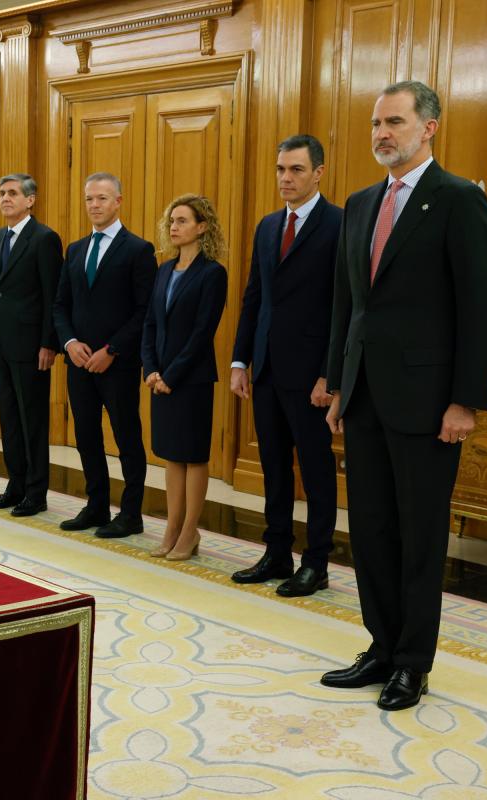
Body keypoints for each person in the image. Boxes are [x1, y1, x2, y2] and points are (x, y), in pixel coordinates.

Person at [321, 82, 487, 710]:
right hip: (365, 397)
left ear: (429, 128)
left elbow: (482, 310)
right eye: (376, 123)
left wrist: (465, 401)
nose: (382, 133)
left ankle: (412, 663)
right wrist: (338, 384)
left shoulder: (458, 200)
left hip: (428, 403)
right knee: (371, 532)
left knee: (419, 536)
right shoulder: (360, 203)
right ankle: (381, 645)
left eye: (394, 122)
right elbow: (347, 305)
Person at [229, 135, 342, 596]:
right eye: (280, 169)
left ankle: (316, 562)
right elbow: (254, 296)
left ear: (318, 172)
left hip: (312, 374)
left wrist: (329, 374)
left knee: (315, 472)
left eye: (296, 169)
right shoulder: (268, 225)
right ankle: (276, 552)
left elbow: (342, 306)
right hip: (268, 369)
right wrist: (241, 359)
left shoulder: (339, 223)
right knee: (273, 467)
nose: (286, 178)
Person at [53, 172, 156, 538]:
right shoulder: (75, 249)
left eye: (101, 198)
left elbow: (144, 311)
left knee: (126, 437)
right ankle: (96, 505)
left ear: (118, 201)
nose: (94, 205)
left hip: (118, 363)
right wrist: (69, 342)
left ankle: (131, 513)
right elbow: (60, 304)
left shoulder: (138, 250)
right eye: (89, 199)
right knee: (86, 435)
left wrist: (112, 349)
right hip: (79, 361)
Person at [142, 195, 228, 560]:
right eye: (171, 221)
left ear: (202, 227)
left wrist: (172, 375)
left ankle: (190, 531)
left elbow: (202, 333)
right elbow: (150, 323)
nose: (174, 227)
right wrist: (151, 369)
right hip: (160, 377)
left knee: (192, 455)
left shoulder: (212, 274)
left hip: (191, 380)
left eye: (182, 221)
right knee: (171, 455)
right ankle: (172, 527)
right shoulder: (163, 269)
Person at [0, 173, 63, 517]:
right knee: (10, 420)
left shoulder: (44, 239)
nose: (5, 198)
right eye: (2, 193)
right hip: (1, 342)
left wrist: (48, 343)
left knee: (32, 421)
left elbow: (51, 295)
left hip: (31, 346)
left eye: (12, 193)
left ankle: (36, 492)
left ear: (30, 200)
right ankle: (15, 485)